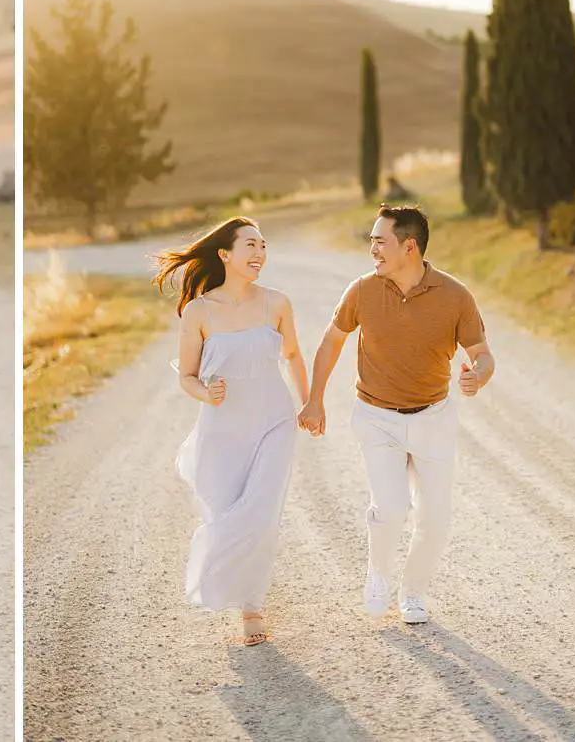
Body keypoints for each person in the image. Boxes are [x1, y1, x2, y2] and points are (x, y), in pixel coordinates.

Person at [298, 204, 495, 624]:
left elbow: (482, 354)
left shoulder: (455, 296)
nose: (372, 249)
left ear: (409, 247)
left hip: (433, 419)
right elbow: (332, 343)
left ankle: (413, 591)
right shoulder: (362, 290)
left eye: (379, 241)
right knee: (390, 508)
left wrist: (478, 376)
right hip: (376, 417)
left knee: (435, 518)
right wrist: (315, 399)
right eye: (371, 241)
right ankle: (377, 574)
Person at [155, 217, 310, 646]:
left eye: (263, 245)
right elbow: (186, 375)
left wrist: (310, 402)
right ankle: (224, 576)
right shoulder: (199, 311)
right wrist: (207, 393)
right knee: (228, 515)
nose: (259, 253)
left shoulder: (276, 303)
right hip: (222, 432)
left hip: (274, 422)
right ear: (224, 254)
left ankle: (251, 608)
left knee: (260, 517)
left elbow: (294, 356)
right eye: (250, 245)